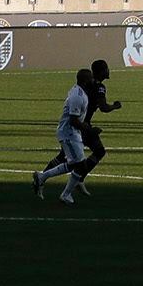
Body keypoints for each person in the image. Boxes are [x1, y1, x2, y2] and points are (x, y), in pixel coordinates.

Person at [39, 59, 120, 182]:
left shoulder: (86, 84)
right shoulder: (100, 87)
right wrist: (115, 106)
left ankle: (42, 177)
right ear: (102, 71)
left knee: (63, 156)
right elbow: (103, 107)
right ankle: (76, 179)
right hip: (82, 125)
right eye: (106, 68)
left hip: (78, 124)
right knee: (98, 151)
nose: (109, 70)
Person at [31, 67, 99, 205]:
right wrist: (90, 130)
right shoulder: (77, 96)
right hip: (69, 133)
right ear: (85, 81)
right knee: (80, 165)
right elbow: (74, 120)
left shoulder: (80, 92)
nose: (93, 80)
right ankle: (65, 194)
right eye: (91, 78)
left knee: (73, 164)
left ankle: (42, 177)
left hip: (73, 133)